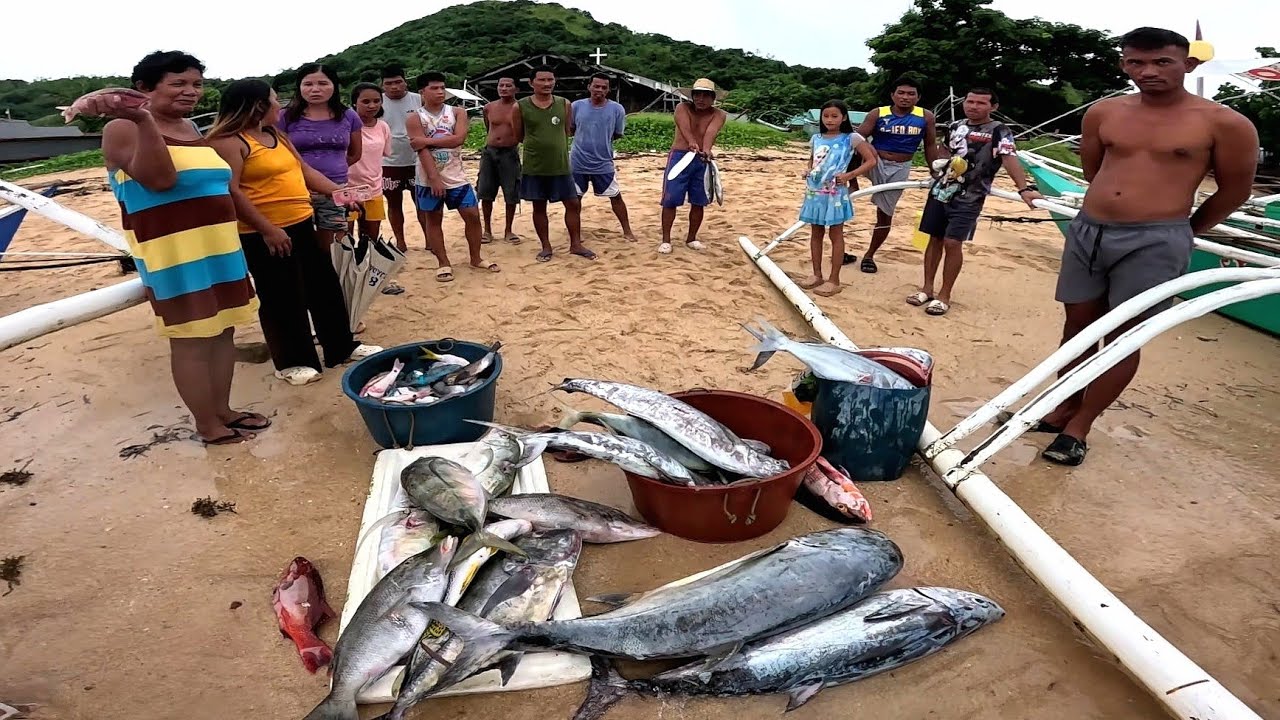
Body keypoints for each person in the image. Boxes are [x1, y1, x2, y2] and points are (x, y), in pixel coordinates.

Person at [1036, 27, 1259, 466]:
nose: (1148, 71)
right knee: (1077, 325)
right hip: (1089, 230)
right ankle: (1065, 404)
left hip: (1157, 238)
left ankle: (1080, 426)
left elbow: (1235, 190)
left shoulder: (1224, 123)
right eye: (1136, 62)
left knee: (1124, 333)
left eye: (1161, 62)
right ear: (1123, 64)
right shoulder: (1104, 113)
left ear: (1187, 64)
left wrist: (1187, 230)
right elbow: (1095, 169)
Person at [96, 51, 266, 446]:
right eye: (178, 83)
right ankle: (206, 424)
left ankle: (224, 411)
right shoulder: (122, 127)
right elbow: (159, 180)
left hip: (219, 248)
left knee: (223, 331)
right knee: (191, 338)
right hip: (174, 255)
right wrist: (142, 119)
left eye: (196, 84)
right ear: (143, 88)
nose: (191, 92)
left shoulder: (191, 127)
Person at [207, 79, 381, 386]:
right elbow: (231, 191)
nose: (280, 105)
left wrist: (338, 191)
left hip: (301, 221)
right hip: (263, 232)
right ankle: (292, 361)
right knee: (281, 296)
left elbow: (304, 171)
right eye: (275, 100)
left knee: (324, 286)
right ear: (258, 106)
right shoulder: (228, 141)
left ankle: (341, 346)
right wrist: (268, 229)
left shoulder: (276, 135)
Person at [907, 87, 1042, 316]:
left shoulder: (999, 130)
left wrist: (1023, 188)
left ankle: (944, 295)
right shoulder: (955, 126)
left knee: (952, 242)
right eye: (970, 101)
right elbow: (944, 149)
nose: (973, 106)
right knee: (934, 238)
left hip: (971, 195)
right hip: (941, 190)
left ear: (993, 107)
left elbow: (1009, 158)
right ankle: (927, 288)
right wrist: (939, 166)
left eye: (981, 103)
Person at [406, 72, 495, 281]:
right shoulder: (415, 117)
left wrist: (426, 141)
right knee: (433, 219)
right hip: (427, 178)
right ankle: (443, 263)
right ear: (422, 92)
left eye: (442, 88)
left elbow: (459, 139)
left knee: (472, 215)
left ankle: (476, 257)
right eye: (434, 88)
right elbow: (421, 151)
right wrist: (434, 177)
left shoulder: (457, 112)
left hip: (457, 176)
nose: (439, 92)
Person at [854, 76, 940, 273]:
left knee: (885, 214)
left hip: (900, 168)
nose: (905, 97)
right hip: (874, 162)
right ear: (892, 95)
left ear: (918, 97)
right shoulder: (878, 113)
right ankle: (852, 183)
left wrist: (934, 170)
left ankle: (869, 255)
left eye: (911, 94)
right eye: (901, 93)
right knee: (855, 145)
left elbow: (929, 145)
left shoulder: (925, 117)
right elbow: (857, 137)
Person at [512, 65, 595, 262]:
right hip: (535, 165)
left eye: (550, 79)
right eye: (542, 80)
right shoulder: (520, 106)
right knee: (539, 207)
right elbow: (519, 135)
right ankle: (546, 247)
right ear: (531, 83)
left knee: (573, 203)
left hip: (561, 165)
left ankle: (576, 244)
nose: (547, 84)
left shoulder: (564, 104)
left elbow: (567, 131)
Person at [276, 63, 362, 250]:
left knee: (335, 245)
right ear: (299, 87)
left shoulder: (349, 116)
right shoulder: (284, 116)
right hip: (296, 189)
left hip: (336, 188)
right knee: (302, 244)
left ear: (334, 85)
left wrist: (331, 171)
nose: (315, 89)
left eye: (323, 83)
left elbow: (355, 153)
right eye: (308, 84)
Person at [798, 101, 879, 297]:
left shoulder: (851, 138)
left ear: (843, 117)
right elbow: (814, 159)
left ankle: (834, 279)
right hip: (815, 192)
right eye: (826, 116)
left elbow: (871, 160)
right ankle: (817, 274)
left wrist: (850, 176)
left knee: (836, 235)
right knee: (815, 233)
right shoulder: (816, 137)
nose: (829, 120)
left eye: (835, 116)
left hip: (836, 193)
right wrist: (808, 170)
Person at [659, 77, 727, 254]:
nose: (700, 99)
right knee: (670, 199)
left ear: (713, 98)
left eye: (706, 96)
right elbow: (684, 127)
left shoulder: (719, 114)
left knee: (699, 201)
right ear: (692, 96)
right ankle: (666, 240)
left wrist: (705, 149)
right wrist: (691, 142)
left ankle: (691, 237)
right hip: (680, 156)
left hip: (701, 159)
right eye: (697, 95)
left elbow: (710, 133)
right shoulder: (683, 108)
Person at [570, 73, 636, 241]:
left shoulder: (617, 109)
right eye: (596, 86)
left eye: (603, 87)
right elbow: (570, 129)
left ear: (608, 90)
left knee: (616, 196)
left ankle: (627, 230)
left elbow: (617, 134)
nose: (599, 90)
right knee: (574, 199)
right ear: (589, 87)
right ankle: (575, 234)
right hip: (578, 161)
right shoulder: (575, 106)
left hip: (603, 162)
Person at [379, 64, 423, 253]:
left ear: (405, 82)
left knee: (422, 203)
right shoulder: (376, 102)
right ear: (382, 85)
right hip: (388, 162)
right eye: (389, 83)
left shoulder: (418, 100)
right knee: (394, 204)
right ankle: (401, 241)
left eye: (398, 82)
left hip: (417, 160)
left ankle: (430, 239)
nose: (394, 87)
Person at [477, 75, 522, 245]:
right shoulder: (489, 107)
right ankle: (487, 230)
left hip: (509, 153)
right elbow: (489, 127)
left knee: (511, 192)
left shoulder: (520, 108)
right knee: (486, 191)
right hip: (490, 153)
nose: (504, 88)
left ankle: (508, 230)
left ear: (516, 89)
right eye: (501, 85)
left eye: (508, 85)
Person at [347, 83, 392, 243]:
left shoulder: (383, 127)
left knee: (371, 237)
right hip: (347, 189)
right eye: (366, 101)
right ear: (354, 102)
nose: (372, 105)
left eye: (376, 101)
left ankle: (367, 266)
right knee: (345, 237)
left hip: (373, 188)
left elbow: (385, 153)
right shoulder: (344, 126)